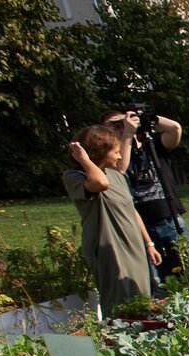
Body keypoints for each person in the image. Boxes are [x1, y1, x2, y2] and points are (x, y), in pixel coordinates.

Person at [63, 125, 163, 316]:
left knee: (141, 295)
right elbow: (100, 184)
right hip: (109, 245)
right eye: (115, 152)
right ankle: (119, 336)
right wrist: (84, 159)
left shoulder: (117, 176)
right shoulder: (75, 177)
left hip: (133, 243)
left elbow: (131, 210)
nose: (119, 157)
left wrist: (148, 243)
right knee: (119, 297)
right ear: (99, 152)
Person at [100, 107, 187, 288]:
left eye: (122, 123)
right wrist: (126, 136)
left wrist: (146, 118)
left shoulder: (153, 146)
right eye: (115, 126)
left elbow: (175, 129)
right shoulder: (111, 157)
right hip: (138, 225)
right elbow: (119, 170)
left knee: (186, 272)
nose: (121, 128)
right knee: (153, 280)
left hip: (168, 218)